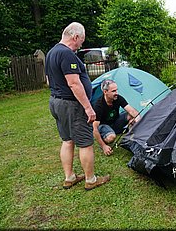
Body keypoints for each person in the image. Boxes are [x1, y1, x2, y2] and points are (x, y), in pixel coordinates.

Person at [45, 22, 110, 190]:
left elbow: (48, 80)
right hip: (72, 105)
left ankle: (70, 177)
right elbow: (74, 83)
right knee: (85, 142)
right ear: (75, 37)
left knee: (67, 140)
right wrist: (88, 108)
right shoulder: (66, 54)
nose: (82, 44)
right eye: (82, 40)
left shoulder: (52, 53)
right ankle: (90, 179)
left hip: (56, 101)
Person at [93, 79, 141, 155]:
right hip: (104, 126)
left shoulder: (118, 98)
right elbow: (94, 128)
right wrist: (103, 146)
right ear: (105, 92)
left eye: (116, 90)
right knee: (111, 137)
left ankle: (133, 139)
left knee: (131, 116)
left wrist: (141, 123)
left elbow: (132, 111)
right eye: (113, 91)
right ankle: (105, 137)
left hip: (115, 122)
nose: (116, 93)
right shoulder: (98, 106)